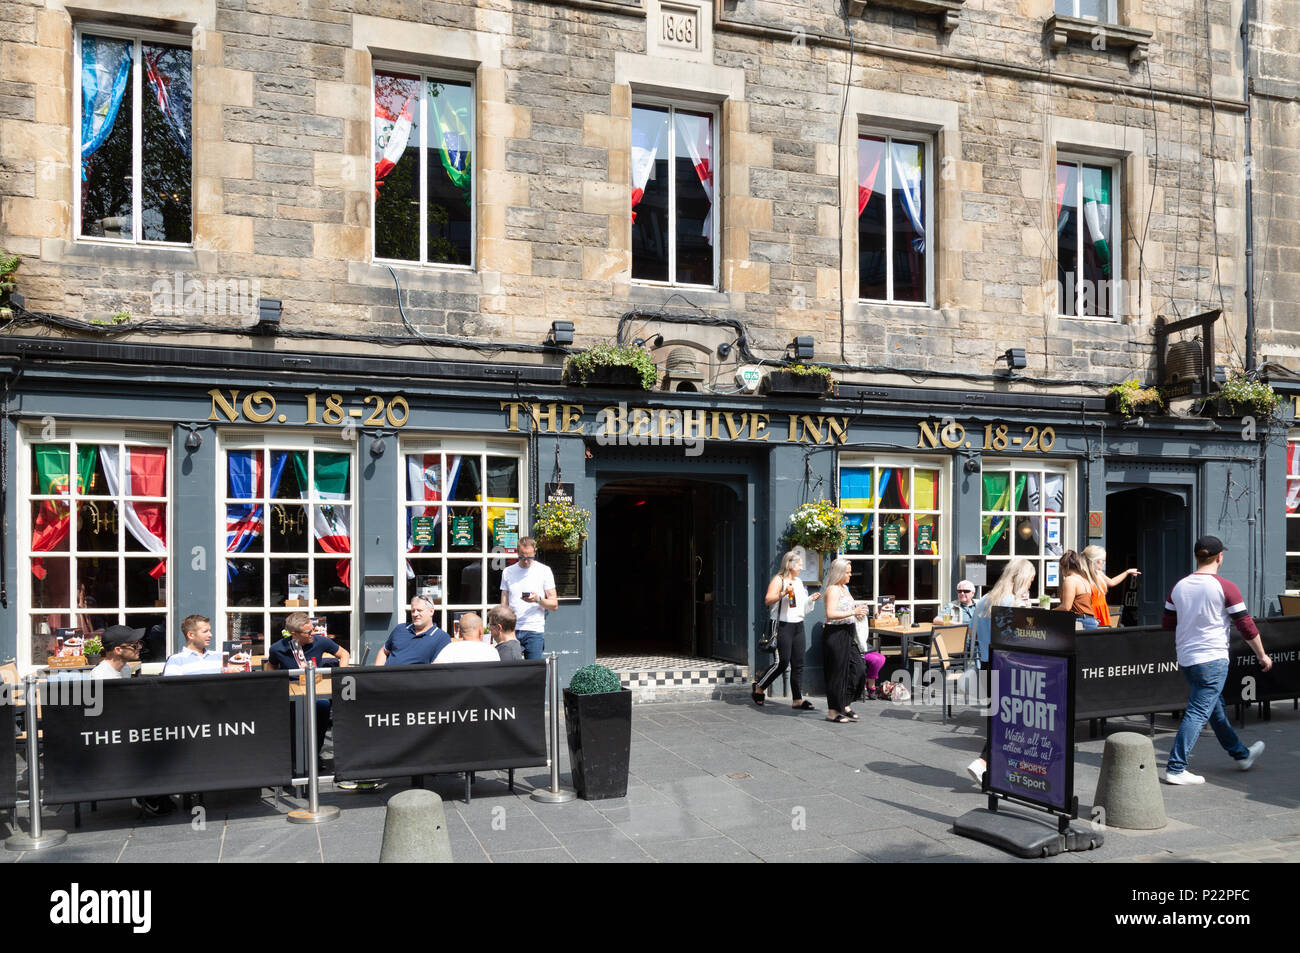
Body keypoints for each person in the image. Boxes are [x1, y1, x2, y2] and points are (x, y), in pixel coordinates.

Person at [1161, 535, 1270, 785]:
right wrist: (1262, 655)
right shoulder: (1225, 586)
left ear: (1197, 556)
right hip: (1213, 659)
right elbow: (1246, 625)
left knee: (1216, 709)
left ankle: (1241, 755)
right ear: (1220, 557)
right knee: (1199, 712)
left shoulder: (1179, 586)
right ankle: (1176, 768)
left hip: (1188, 659)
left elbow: (1167, 623)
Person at [965, 558, 1036, 785]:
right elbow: (1020, 635)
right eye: (1031, 580)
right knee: (1014, 719)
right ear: (1023, 579)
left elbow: (971, 633)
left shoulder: (984, 600)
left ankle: (994, 771)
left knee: (999, 718)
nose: (1031, 585)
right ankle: (984, 761)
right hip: (1008, 664)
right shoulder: (1011, 601)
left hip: (986, 662)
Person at [269, 612, 351, 753]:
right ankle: (294, 757)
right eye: (309, 632)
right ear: (294, 634)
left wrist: (340, 675)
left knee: (323, 706)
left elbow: (344, 654)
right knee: (291, 714)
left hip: (315, 688)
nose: (313, 633)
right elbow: (271, 665)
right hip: (291, 692)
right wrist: (274, 682)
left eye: (313, 629)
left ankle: (314, 753)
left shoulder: (320, 641)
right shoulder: (278, 648)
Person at [752, 550, 822, 711]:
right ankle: (760, 687)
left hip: (798, 625)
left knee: (798, 663)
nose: (802, 567)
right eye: (799, 564)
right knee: (782, 663)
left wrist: (810, 599)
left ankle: (797, 699)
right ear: (789, 564)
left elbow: (801, 606)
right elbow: (768, 600)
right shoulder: (779, 579)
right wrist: (783, 593)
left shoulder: (798, 582)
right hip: (782, 625)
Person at [820, 558, 869, 724]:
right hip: (835, 634)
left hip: (848, 632)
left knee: (859, 668)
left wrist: (858, 613)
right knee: (836, 673)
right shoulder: (833, 589)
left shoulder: (845, 588)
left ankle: (845, 704)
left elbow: (849, 610)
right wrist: (853, 612)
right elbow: (830, 613)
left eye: (850, 571)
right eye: (847, 572)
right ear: (839, 573)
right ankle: (833, 711)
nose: (850, 574)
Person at [499, 538, 557, 660]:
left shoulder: (544, 571)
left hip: (534, 630)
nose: (526, 561)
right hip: (512, 629)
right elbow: (504, 603)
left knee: (533, 672)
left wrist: (538, 599)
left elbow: (554, 605)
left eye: (530, 557)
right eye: (522, 557)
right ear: (517, 553)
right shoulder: (508, 572)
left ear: (535, 552)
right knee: (510, 671)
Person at [376, 595, 451, 665]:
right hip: (386, 677)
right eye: (413, 611)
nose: (415, 614)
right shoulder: (400, 629)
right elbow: (384, 651)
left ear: (431, 611)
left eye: (419, 610)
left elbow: (437, 669)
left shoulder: (442, 638)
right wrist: (377, 675)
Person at [1080, 544, 1139, 627]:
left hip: (1102, 609)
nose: (1104, 563)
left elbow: (1112, 582)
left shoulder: (1099, 573)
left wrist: (1127, 572)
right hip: (1091, 612)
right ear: (1094, 561)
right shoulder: (1083, 576)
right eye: (1102, 560)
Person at [1058, 550, 1101, 629]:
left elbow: (1066, 607)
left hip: (1079, 622)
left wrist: (1052, 611)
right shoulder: (1084, 580)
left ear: (1062, 566)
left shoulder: (1070, 580)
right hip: (1091, 621)